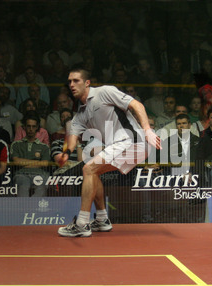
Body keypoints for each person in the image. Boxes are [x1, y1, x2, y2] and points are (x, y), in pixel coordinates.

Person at [55, 68, 161, 237]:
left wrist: (147, 129)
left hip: (132, 140)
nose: (72, 85)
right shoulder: (80, 115)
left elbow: (136, 104)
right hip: (123, 146)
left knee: (88, 169)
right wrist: (66, 154)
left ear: (87, 82)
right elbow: (72, 139)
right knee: (93, 173)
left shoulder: (104, 92)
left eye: (76, 81)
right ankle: (102, 220)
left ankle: (82, 223)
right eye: (69, 82)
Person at [10, 112, 51, 197]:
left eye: (33, 126)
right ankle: (25, 208)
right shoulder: (16, 144)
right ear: (24, 127)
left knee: (42, 185)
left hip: (40, 174)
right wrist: (36, 162)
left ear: (37, 128)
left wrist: (24, 163)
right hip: (21, 174)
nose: (31, 129)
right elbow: (16, 161)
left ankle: (31, 207)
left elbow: (45, 163)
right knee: (23, 187)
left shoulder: (44, 147)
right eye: (28, 126)